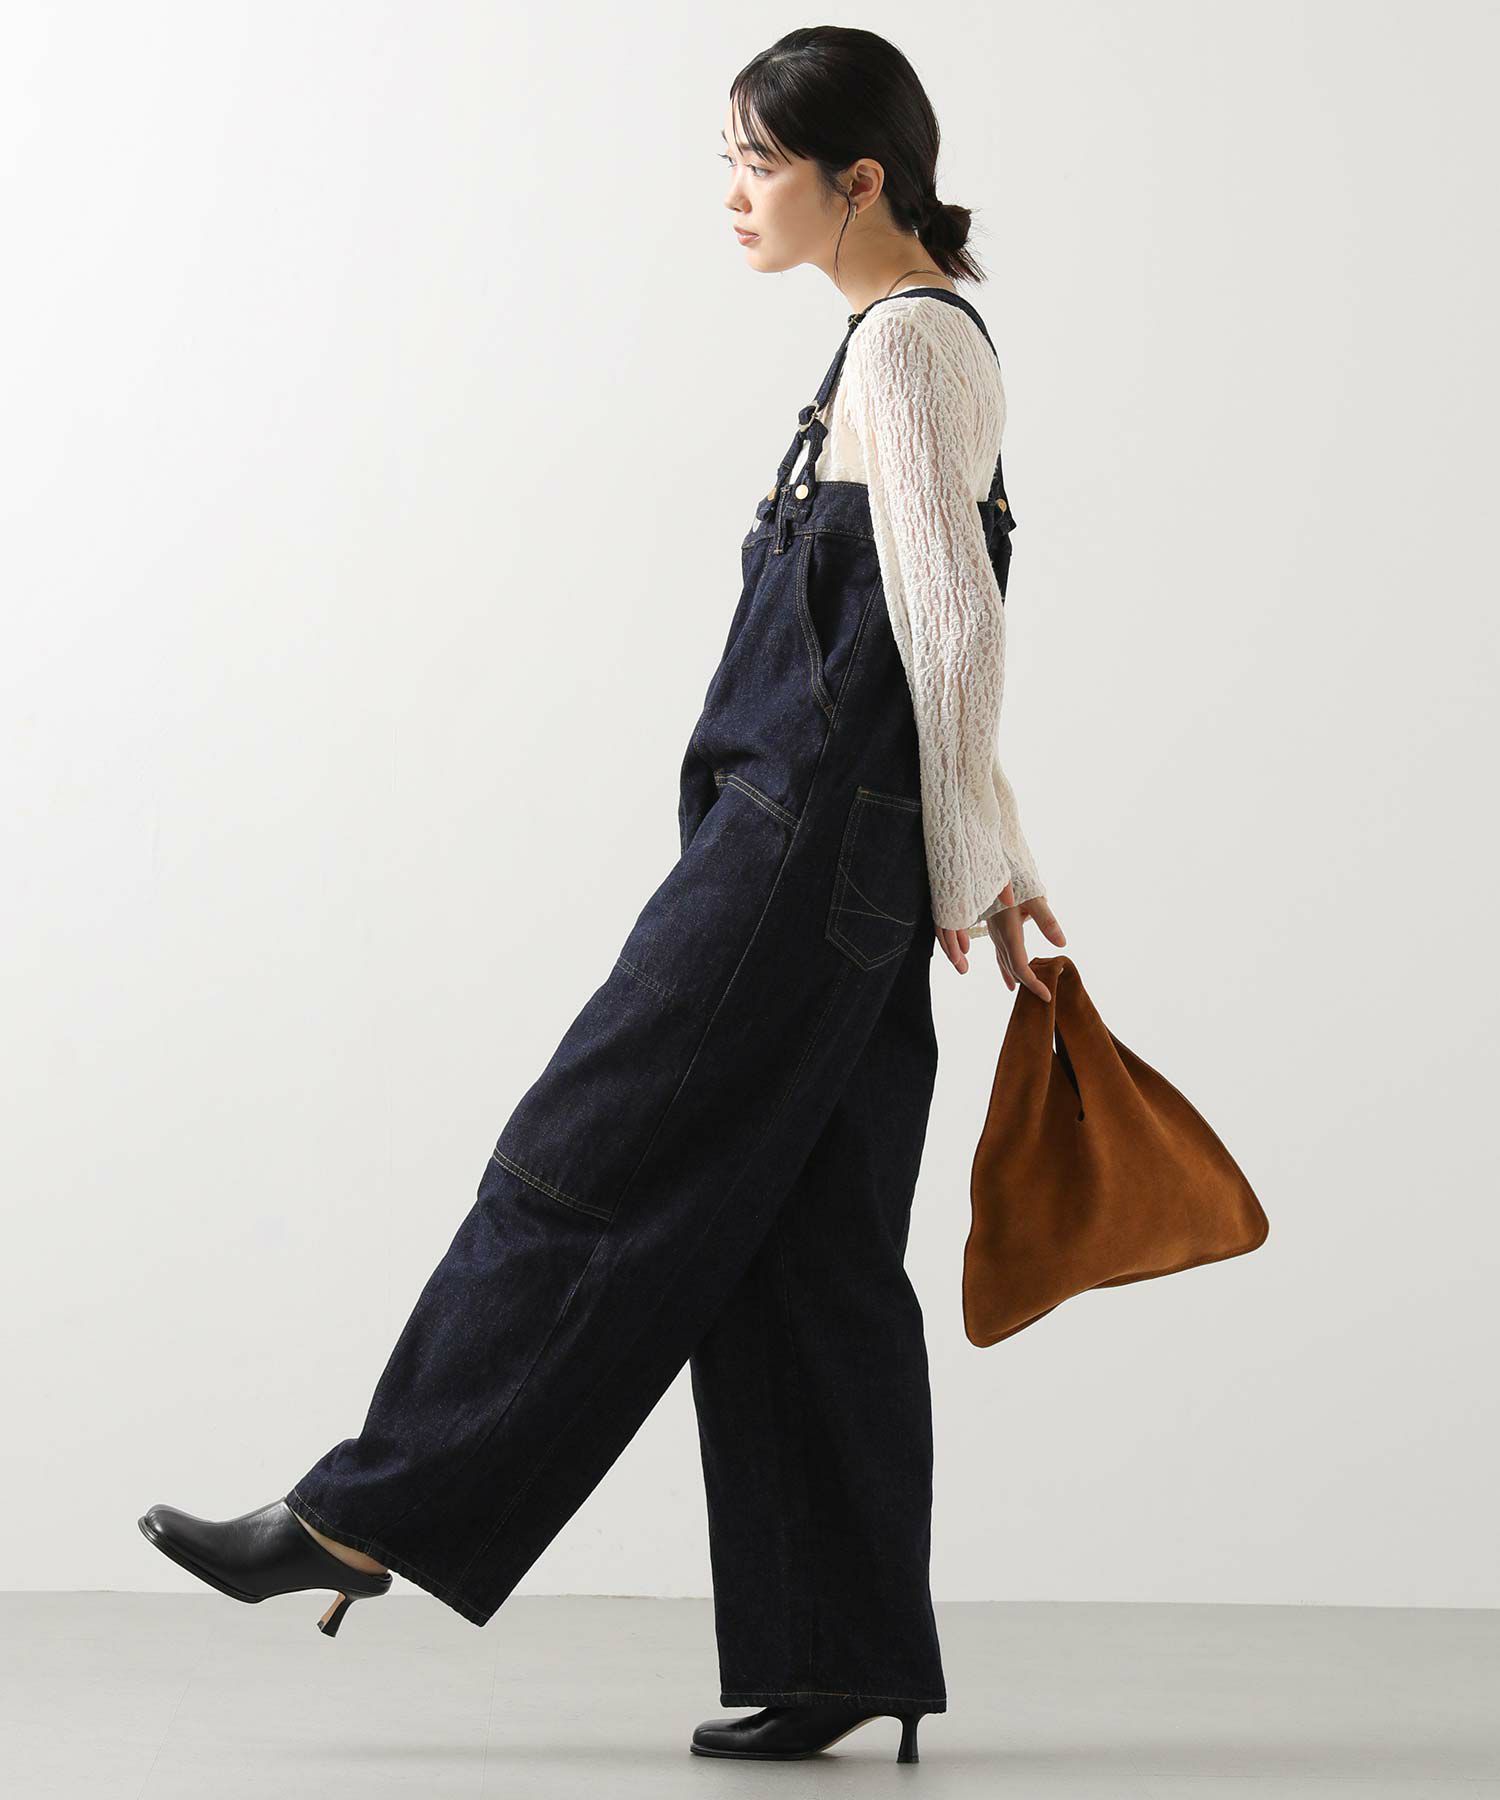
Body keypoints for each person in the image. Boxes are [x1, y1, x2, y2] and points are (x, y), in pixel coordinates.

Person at [137, 25, 1066, 1767]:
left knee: (584, 1159)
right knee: (810, 1247)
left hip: (801, 855)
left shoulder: (907, 347)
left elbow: (952, 633)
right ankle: (841, 1650)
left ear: (859, 179)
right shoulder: (904, 345)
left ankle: (363, 1516)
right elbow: (940, 642)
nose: (733, 195)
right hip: (842, 857)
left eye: (759, 164)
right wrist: (992, 862)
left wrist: (972, 863)